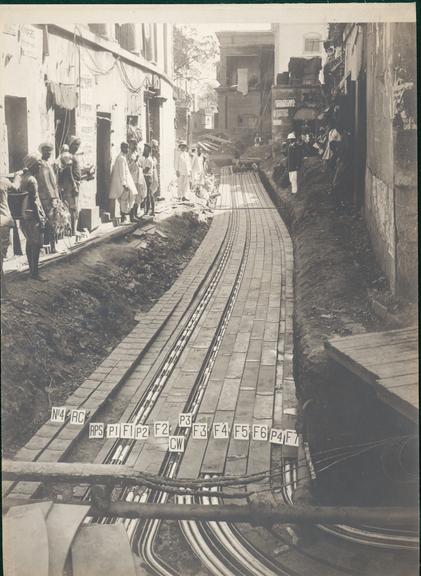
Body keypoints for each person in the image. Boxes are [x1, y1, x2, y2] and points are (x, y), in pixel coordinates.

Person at [19, 154, 47, 281]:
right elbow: (35, 201)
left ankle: (31, 271)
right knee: (36, 244)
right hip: (32, 216)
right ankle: (35, 273)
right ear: (33, 166)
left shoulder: (23, 177)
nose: (40, 167)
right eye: (38, 165)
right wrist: (40, 219)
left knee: (30, 242)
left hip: (24, 215)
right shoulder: (32, 180)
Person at [37, 142, 61, 252]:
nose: (49, 153)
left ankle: (52, 245)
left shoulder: (48, 164)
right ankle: (50, 246)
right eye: (46, 151)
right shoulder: (41, 165)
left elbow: (53, 182)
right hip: (46, 197)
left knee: (53, 221)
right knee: (49, 222)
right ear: (43, 152)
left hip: (52, 196)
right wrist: (52, 197)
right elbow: (45, 183)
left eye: (50, 151)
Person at [60, 135, 82, 236]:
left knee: (74, 207)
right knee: (72, 207)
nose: (77, 147)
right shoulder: (68, 156)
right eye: (75, 145)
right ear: (71, 145)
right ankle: (72, 231)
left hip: (75, 183)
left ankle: (73, 230)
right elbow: (69, 171)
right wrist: (74, 184)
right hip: (70, 184)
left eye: (78, 145)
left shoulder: (73, 156)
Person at [109, 142, 137, 222]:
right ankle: (124, 217)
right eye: (126, 148)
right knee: (124, 199)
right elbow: (122, 172)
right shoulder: (121, 158)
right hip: (122, 182)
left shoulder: (122, 157)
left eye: (128, 148)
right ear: (122, 148)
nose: (128, 150)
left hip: (124, 181)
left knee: (128, 197)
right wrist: (124, 184)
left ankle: (127, 216)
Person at [0, 177, 14, 297]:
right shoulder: (4, 181)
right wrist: (19, 176)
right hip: (3, 223)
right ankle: (3, 292)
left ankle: (3, 291)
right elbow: (17, 187)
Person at [127, 138, 146, 221]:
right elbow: (128, 167)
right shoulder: (128, 154)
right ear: (130, 145)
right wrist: (135, 160)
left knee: (138, 197)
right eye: (133, 144)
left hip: (138, 179)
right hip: (132, 179)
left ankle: (135, 214)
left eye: (135, 144)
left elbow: (139, 165)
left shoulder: (136, 153)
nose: (135, 146)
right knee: (132, 197)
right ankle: (131, 217)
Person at [141, 143, 155, 217]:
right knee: (148, 194)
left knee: (149, 194)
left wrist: (139, 170)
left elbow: (146, 170)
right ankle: (148, 210)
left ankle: (151, 211)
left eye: (145, 150)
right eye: (144, 150)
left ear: (148, 151)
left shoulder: (149, 160)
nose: (144, 151)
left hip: (148, 178)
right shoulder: (145, 159)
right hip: (146, 177)